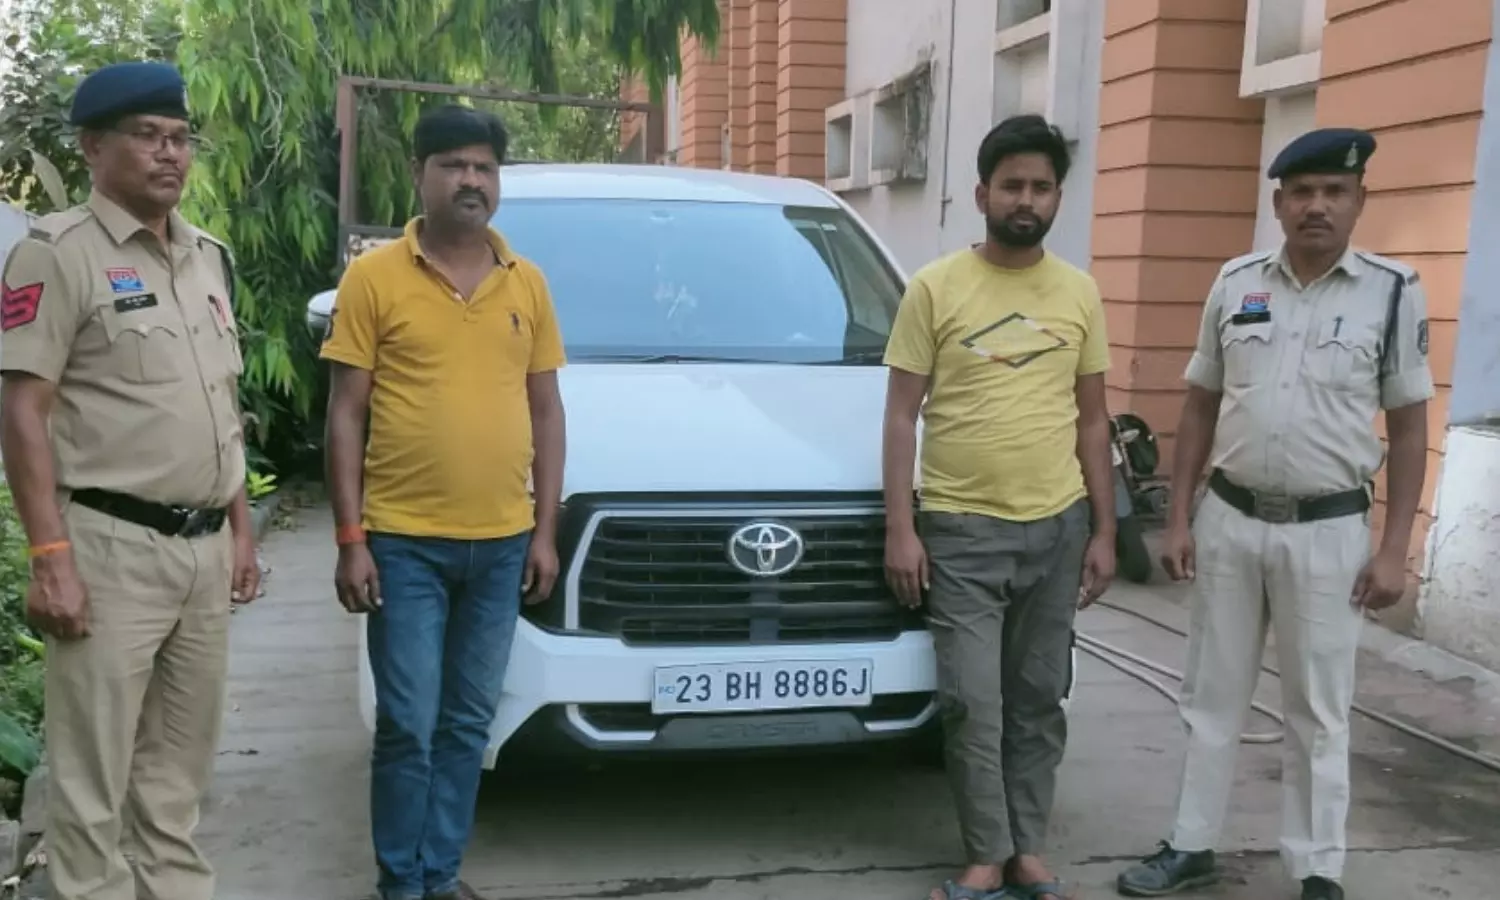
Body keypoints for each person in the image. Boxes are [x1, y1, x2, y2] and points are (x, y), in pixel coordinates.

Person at [1113, 128, 1433, 900]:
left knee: (1318, 710)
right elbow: (1199, 406)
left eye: (1334, 192)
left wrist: (1394, 548)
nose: (1317, 206)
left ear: (1359, 201)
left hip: (1328, 532)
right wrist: (1179, 519)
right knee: (1210, 695)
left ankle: (1318, 867)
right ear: (1279, 202)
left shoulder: (1391, 292)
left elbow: (1409, 427)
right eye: (1303, 192)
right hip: (1230, 521)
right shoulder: (1235, 283)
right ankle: (1191, 844)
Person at [0, 61, 260, 900]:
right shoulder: (56, 256)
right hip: (109, 550)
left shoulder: (204, 257)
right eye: (147, 136)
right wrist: (50, 556)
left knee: (177, 783)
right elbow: (23, 411)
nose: (169, 154)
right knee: (91, 785)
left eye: (180, 138)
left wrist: (241, 531)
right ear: (92, 146)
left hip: (203, 553)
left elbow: (219, 405)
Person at [320, 104, 567, 900]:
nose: (470, 180)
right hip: (403, 545)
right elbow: (345, 414)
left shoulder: (526, 282)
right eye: (453, 164)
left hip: (502, 545)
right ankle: (401, 883)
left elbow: (546, 411)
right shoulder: (374, 278)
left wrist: (545, 532)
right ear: (418, 174)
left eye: (484, 167)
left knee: (467, 724)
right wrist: (351, 538)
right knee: (407, 724)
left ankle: (440, 874)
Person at [882, 114, 1117, 900]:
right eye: (1011, 185)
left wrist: (1105, 530)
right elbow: (900, 416)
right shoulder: (935, 288)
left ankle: (1029, 852)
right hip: (960, 530)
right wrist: (902, 529)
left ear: (1057, 199)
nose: (1026, 200)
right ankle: (985, 856)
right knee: (971, 703)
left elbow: (1093, 420)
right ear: (982, 194)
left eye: (1041, 187)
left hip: (1057, 529)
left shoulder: (1079, 293)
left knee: (1038, 700)